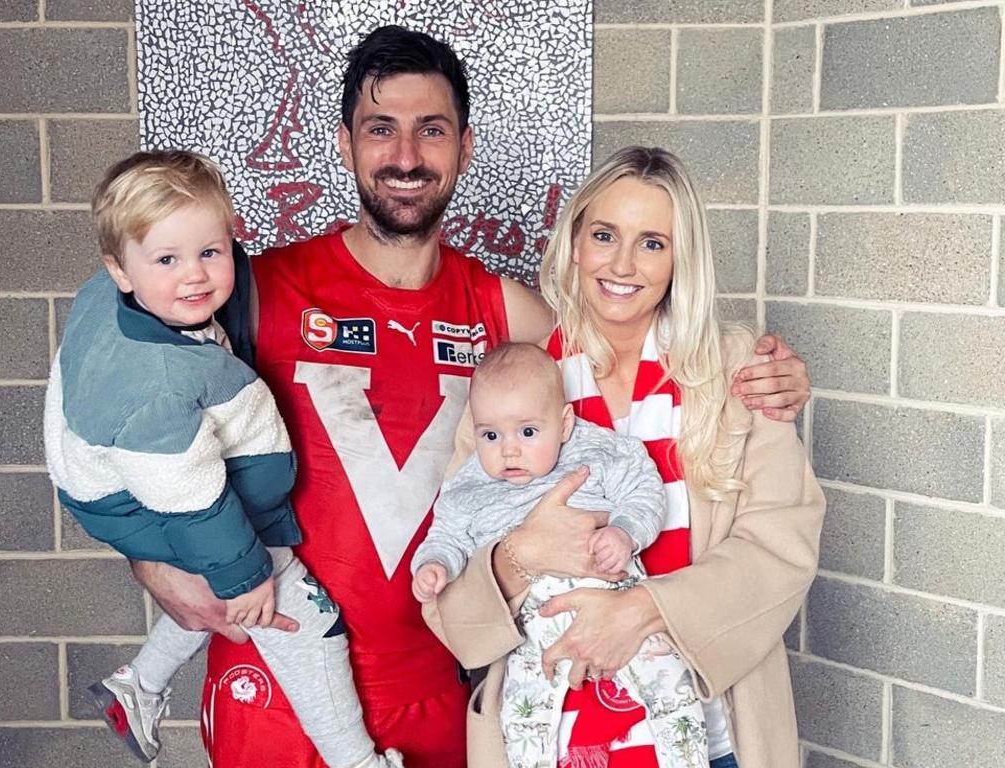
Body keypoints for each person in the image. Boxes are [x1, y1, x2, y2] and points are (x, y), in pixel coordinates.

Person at [129, 27, 813, 768]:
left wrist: (776, 377)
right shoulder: (254, 288)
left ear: (465, 147)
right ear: (344, 144)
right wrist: (150, 561)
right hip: (291, 671)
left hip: (450, 691)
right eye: (380, 129)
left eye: (432, 130)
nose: (405, 156)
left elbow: (640, 346)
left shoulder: (510, 317)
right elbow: (113, 389)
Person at [423, 146, 825, 768]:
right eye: (605, 235)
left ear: (679, 258)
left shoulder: (738, 371)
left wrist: (643, 611)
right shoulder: (515, 386)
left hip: (709, 734)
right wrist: (521, 557)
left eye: (652, 243)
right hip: (548, 739)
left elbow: (782, 546)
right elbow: (449, 604)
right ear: (575, 243)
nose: (622, 264)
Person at [44, 151, 401, 768]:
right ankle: (358, 762)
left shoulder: (135, 300)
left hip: (123, 474)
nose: (195, 276)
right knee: (302, 615)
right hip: (136, 492)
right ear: (119, 269)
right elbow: (194, 503)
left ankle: (138, 687)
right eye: (167, 260)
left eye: (211, 252)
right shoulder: (153, 384)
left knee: (212, 571)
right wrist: (247, 577)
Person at [411, 342, 708, 768]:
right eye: (490, 435)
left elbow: (643, 490)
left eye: (528, 432)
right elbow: (448, 533)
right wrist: (435, 564)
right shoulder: (468, 486)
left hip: (618, 594)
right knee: (523, 711)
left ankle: (688, 759)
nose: (508, 450)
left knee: (670, 683)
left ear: (564, 423)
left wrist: (625, 532)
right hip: (536, 623)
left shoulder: (596, 452)